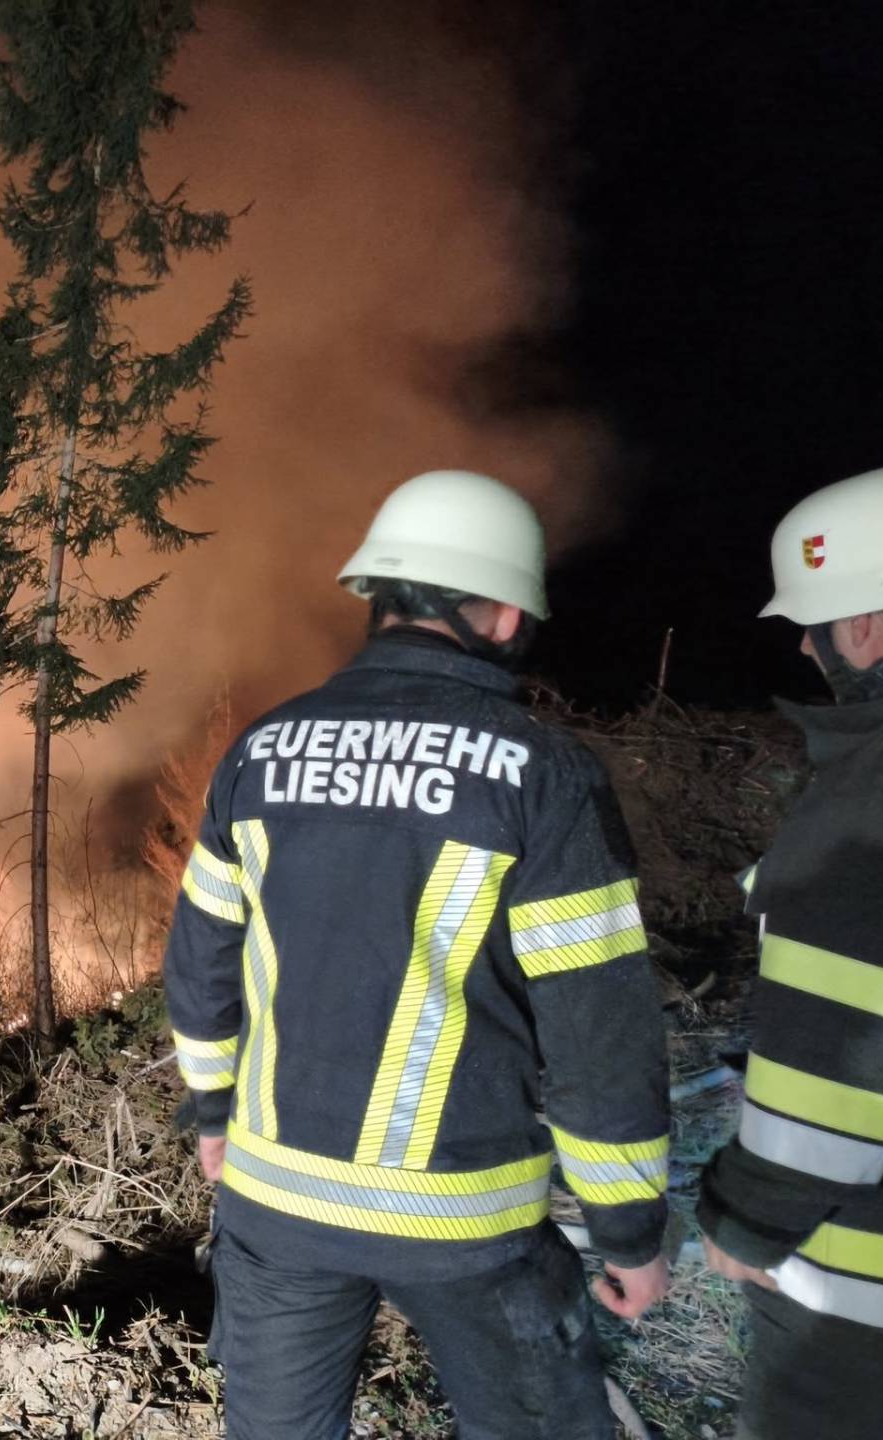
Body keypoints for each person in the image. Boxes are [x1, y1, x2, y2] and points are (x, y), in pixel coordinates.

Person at [164, 469, 671, 1440]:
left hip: (275, 1207)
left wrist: (213, 1112)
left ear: (385, 596)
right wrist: (628, 1231)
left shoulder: (261, 752)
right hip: (467, 1225)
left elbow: (199, 966)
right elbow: (599, 1035)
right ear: (495, 607)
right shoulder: (541, 774)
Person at [697, 466, 883, 1439]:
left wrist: (746, 1223)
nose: (804, 641)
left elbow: (840, 1055)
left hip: (870, 1309)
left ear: (866, 628)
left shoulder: (875, 800)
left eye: (815, 621)